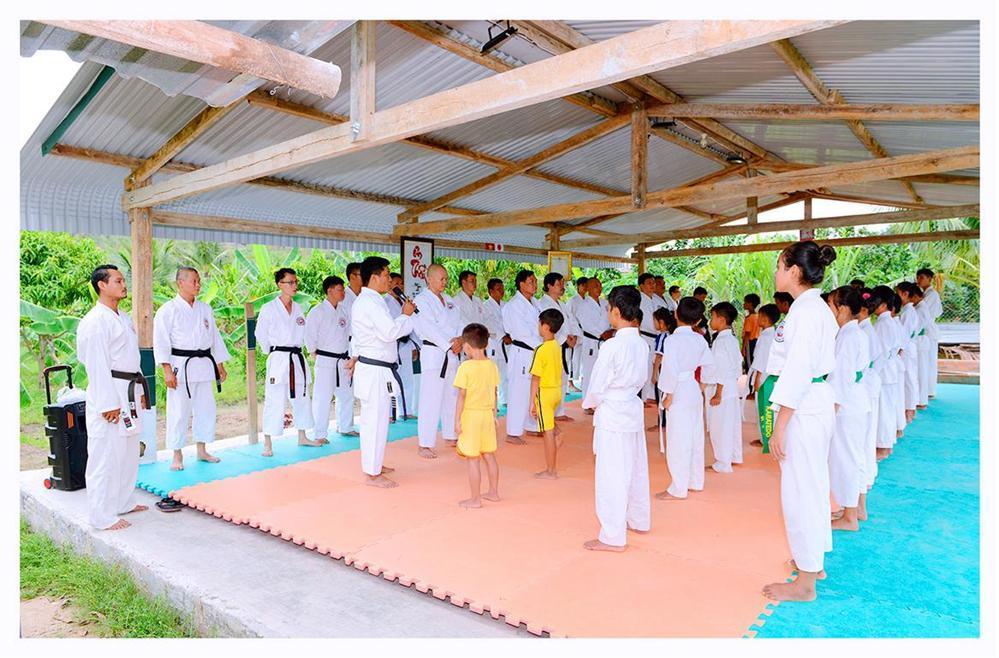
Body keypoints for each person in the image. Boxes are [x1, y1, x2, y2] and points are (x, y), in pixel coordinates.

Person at [762, 241, 838, 603]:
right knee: (813, 483)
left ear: (794, 271)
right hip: (813, 402)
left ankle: (805, 583)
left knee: (800, 491)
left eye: (779, 266)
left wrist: (780, 425)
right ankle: (812, 561)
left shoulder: (807, 312)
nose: (776, 273)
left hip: (803, 407)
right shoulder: (811, 308)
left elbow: (798, 370)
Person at [76, 265, 148, 530]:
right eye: (118, 281)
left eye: (123, 280)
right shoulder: (95, 321)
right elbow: (96, 365)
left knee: (128, 451)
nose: (123, 284)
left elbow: (131, 357)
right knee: (105, 455)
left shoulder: (123, 317)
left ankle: (123, 502)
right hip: (109, 390)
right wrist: (108, 403)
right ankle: (101, 516)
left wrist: (140, 391)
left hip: (129, 387)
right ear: (102, 285)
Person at [581, 286, 651, 552]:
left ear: (617, 312)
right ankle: (639, 519)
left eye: (609, 308)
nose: (608, 313)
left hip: (613, 411)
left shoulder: (612, 345)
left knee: (611, 474)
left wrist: (590, 403)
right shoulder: (641, 343)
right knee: (635, 468)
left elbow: (598, 384)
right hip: (631, 407)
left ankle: (612, 536)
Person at [348, 256, 416, 487]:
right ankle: (372, 473)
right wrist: (405, 315)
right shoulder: (369, 302)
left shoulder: (373, 301)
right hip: (375, 370)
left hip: (378, 369)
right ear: (375, 277)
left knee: (379, 421)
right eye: (387, 275)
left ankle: (375, 464)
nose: (389, 280)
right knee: (374, 422)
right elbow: (389, 333)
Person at [153, 267, 230, 471]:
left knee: (205, 409)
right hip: (180, 366)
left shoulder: (205, 309)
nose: (198, 285)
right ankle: (177, 454)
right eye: (194, 281)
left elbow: (214, 338)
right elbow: (161, 341)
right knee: (179, 411)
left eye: (198, 281)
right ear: (180, 283)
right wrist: (166, 370)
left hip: (204, 365)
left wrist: (219, 364)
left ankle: (202, 450)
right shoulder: (167, 310)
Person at [256, 268, 320, 457]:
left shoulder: (298, 308)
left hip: (296, 357)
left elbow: (305, 333)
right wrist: (272, 352)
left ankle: (302, 436)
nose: (294, 285)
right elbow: (260, 334)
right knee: (274, 399)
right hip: (278, 358)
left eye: (295, 282)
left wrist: (311, 350)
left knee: (301, 397)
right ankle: (267, 442)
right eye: (290, 282)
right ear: (280, 284)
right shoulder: (268, 308)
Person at [656, 297, 713, 501]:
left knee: (678, 439)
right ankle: (695, 481)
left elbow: (670, 369)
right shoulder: (700, 339)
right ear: (698, 321)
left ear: (676, 314)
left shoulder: (672, 340)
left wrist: (668, 395)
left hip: (678, 390)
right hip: (693, 389)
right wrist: (702, 386)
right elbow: (709, 365)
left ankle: (678, 488)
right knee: (695, 436)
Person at [825, 286, 871, 532]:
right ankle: (856, 508)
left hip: (847, 405)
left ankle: (850, 516)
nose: (828, 310)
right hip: (855, 401)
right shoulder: (855, 333)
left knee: (846, 459)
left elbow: (841, 378)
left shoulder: (848, 336)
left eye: (830, 305)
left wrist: (831, 411)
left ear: (842, 309)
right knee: (855, 456)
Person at [413, 264, 463, 458]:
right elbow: (427, 328)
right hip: (435, 352)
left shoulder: (449, 300)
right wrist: (449, 344)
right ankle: (425, 444)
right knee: (430, 399)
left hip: (453, 353)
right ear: (429, 279)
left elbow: (460, 322)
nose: (445, 282)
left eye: (446, 279)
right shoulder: (421, 300)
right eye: (441, 279)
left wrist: (460, 339)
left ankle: (450, 434)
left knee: (452, 395)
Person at [453, 323, 501, 509]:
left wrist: (457, 420)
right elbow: (495, 392)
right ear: (486, 344)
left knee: (473, 458)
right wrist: (494, 415)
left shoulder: (465, 367)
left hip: (471, 416)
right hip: (487, 415)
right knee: (489, 455)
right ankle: (493, 492)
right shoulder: (492, 366)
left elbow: (461, 397)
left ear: (466, 347)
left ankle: (475, 499)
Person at [305, 275, 357, 444]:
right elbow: (309, 335)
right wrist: (313, 351)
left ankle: (346, 427)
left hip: (343, 359)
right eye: (340, 289)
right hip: (325, 359)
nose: (343, 293)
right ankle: (319, 433)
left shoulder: (343, 311)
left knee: (347, 395)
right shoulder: (317, 311)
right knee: (323, 398)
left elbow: (350, 334)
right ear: (330, 290)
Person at [502, 270, 542, 444]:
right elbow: (520, 332)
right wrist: (542, 346)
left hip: (536, 350)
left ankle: (532, 426)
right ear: (521, 284)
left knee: (533, 390)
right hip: (522, 351)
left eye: (535, 281)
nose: (534, 284)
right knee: (519, 391)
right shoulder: (513, 306)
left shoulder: (536, 303)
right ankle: (513, 432)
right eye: (531, 281)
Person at [702, 301, 742, 473]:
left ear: (722, 319)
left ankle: (723, 463)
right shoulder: (731, 339)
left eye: (712, 317)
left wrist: (718, 393)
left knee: (720, 427)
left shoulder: (721, 341)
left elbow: (722, 368)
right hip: (730, 387)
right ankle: (734, 456)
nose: (710, 321)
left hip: (722, 389)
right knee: (731, 425)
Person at [536, 272, 580, 421]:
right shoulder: (542, 304)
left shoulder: (562, 304)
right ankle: (548, 413)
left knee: (562, 378)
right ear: (549, 286)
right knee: (550, 380)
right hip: (552, 346)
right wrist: (565, 339)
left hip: (564, 345)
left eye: (563, 283)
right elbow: (547, 326)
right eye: (559, 283)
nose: (562, 286)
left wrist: (574, 336)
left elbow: (572, 322)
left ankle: (559, 412)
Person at [529, 308, 565, 479]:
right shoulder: (557, 345)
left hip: (544, 393)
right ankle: (559, 432)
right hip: (556, 391)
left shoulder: (541, 349)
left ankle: (551, 470)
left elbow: (535, 378)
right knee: (549, 421)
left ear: (545, 326)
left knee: (547, 432)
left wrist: (532, 402)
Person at [857, 289, 884, 496]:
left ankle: (864, 477)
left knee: (864, 436)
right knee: (865, 434)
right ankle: (865, 475)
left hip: (866, 384)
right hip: (866, 384)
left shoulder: (864, 332)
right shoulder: (864, 329)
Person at [871, 285, 902, 458]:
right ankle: (886, 444)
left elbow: (881, 353)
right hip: (889, 370)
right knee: (887, 408)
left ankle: (883, 446)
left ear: (883, 305)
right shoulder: (888, 321)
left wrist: (872, 374)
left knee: (884, 410)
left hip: (884, 371)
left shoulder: (883, 324)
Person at [386, 273, 418, 419]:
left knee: (407, 379)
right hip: (392, 344)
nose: (400, 286)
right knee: (391, 380)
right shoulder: (385, 302)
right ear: (389, 284)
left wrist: (414, 347)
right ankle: (389, 413)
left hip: (406, 344)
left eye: (402, 283)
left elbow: (412, 324)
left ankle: (406, 410)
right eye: (397, 283)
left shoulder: (405, 302)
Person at [576, 277, 612, 402]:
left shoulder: (605, 303)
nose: (599, 288)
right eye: (596, 285)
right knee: (589, 372)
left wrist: (611, 330)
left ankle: (600, 400)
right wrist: (601, 334)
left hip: (606, 341)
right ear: (588, 288)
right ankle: (587, 401)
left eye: (600, 285)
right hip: (591, 342)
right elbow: (586, 325)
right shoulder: (583, 305)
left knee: (604, 372)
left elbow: (612, 319)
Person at [749, 304, 780, 451]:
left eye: (760, 316)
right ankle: (764, 437)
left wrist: (757, 379)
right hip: (768, 376)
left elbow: (762, 360)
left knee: (762, 407)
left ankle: (765, 439)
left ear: (765, 319)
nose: (758, 319)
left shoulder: (767, 337)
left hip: (764, 377)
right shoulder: (772, 334)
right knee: (765, 407)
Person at [895, 282, 921, 423]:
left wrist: (899, 350)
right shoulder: (907, 311)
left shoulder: (908, 312)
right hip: (907, 346)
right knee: (909, 377)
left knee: (909, 378)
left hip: (906, 347)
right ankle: (910, 407)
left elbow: (904, 334)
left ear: (905, 294)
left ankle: (910, 409)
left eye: (898, 293)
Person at [481, 278, 509, 407]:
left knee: (505, 373)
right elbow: (488, 324)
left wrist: (509, 334)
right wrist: (502, 335)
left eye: (502, 288)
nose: (502, 291)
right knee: (491, 374)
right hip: (493, 343)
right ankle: (491, 402)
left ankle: (505, 399)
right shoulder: (485, 306)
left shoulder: (506, 305)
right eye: (498, 289)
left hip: (507, 344)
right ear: (491, 291)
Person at [916, 268, 942, 399]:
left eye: (921, 277)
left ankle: (929, 390)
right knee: (924, 362)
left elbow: (923, 312)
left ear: (929, 279)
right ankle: (924, 390)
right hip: (923, 332)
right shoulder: (924, 293)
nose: (918, 280)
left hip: (929, 332)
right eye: (917, 277)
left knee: (929, 362)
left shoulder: (932, 294)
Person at [649, 307, 674, 433]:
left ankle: (662, 423)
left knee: (660, 396)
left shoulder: (662, 336)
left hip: (661, 369)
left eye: (655, 321)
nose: (653, 324)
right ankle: (665, 422)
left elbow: (659, 356)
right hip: (668, 369)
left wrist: (654, 374)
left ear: (661, 322)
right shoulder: (671, 336)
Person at [637, 273, 659, 401]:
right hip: (645, 336)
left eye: (653, 283)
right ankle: (643, 397)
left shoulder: (656, 299)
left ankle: (651, 395)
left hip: (656, 337)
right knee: (645, 367)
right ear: (641, 286)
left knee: (654, 367)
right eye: (649, 283)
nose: (652, 285)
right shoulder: (639, 300)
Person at [567, 277, 589, 391]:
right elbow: (569, 318)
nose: (585, 287)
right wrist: (573, 333)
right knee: (571, 358)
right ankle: (570, 383)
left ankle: (583, 380)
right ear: (578, 286)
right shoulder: (572, 301)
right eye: (583, 285)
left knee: (583, 358)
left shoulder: (588, 300)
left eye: (587, 285)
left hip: (586, 333)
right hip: (575, 333)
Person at [913, 286, 932, 409]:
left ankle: (921, 400)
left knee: (921, 371)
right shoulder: (919, 307)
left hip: (919, 341)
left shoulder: (921, 309)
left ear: (915, 296)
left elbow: (916, 328)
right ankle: (920, 398)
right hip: (919, 341)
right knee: (919, 371)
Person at [742, 293, 761, 370]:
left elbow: (747, 334)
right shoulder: (758, 316)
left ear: (750, 304)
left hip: (749, 343)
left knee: (749, 363)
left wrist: (743, 348)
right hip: (756, 341)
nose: (743, 304)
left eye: (745, 302)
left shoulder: (749, 318)